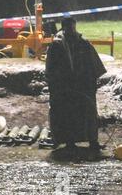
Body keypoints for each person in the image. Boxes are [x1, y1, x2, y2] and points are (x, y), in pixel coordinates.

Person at [45, 17, 106, 154]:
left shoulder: (84, 44)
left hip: (83, 86)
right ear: (64, 28)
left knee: (88, 113)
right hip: (65, 88)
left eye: (73, 27)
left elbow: (95, 66)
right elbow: (51, 70)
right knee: (66, 114)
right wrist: (58, 85)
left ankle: (92, 140)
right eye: (69, 28)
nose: (72, 30)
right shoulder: (57, 45)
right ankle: (69, 141)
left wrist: (91, 83)